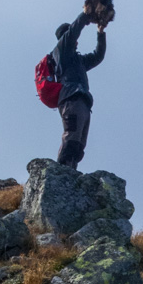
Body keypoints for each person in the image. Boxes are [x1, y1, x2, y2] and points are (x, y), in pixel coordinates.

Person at [52, 12, 106, 169]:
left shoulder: (77, 60)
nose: (76, 41)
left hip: (81, 99)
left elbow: (98, 56)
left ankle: (70, 170)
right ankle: (60, 171)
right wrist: (86, 13)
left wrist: (100, 33)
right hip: (71, 98)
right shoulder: (61, 52)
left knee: (79, 142)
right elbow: (74, 31)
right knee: (72, 135)